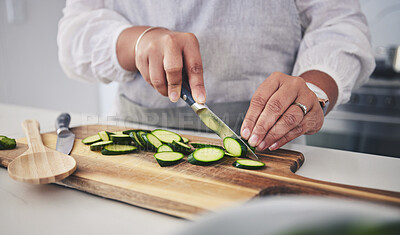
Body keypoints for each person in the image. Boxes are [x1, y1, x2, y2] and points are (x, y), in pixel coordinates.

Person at [57, 0, 375, 151]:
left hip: (271, 144)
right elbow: (74, 38)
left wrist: (313, 89)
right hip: (136, 134)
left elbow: (340, 24)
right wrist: (138, 41)